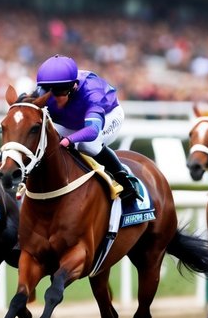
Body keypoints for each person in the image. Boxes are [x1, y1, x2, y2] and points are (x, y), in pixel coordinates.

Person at [33, 54, 138, 210]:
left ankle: (124, 179)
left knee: (87, 146)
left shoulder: (92, 94)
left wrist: (69, 140)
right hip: (69, 121)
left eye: (61, 92)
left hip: (108, 116)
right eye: (51, 92)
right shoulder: (43, 90)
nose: (56, 99)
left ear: (74, 86)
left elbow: (91, 131)